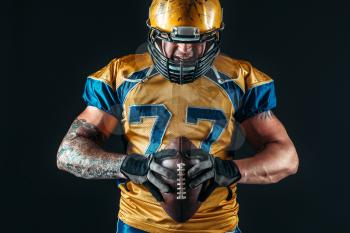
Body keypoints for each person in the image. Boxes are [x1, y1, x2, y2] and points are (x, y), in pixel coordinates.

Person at [57, 0, 299, 232]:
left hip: (216, 225)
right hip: (139, 223)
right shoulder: (122, 75)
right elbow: (68, 153)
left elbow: (286, 158)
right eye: (172, 40)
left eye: (198, 40)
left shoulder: (239, 78)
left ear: (214, 36)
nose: (185, 50)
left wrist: (229, 170)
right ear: (154, 35)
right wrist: (127, 166)